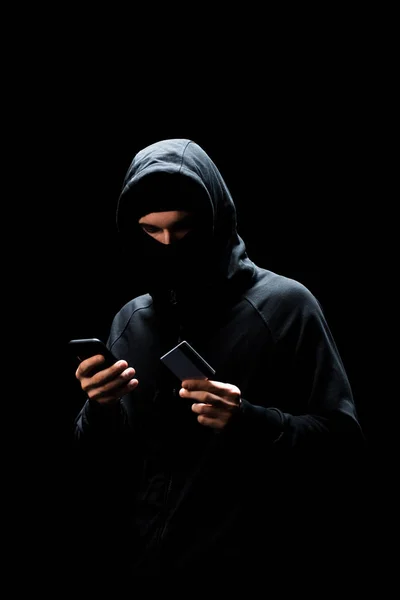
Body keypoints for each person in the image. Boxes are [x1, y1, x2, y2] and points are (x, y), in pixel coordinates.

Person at [70, 138, 366, 579]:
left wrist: (249, 421)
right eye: (152, 230)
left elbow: (344, 447)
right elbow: (105, 468)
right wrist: (99, 409)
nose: (168, 244)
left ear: (216, 221)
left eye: (184, 227)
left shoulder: (286, 306)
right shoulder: (131, 320)